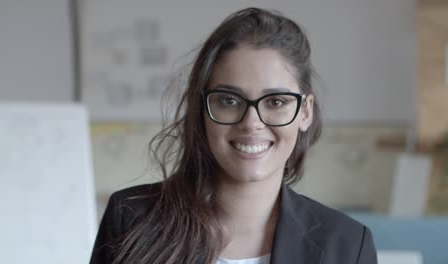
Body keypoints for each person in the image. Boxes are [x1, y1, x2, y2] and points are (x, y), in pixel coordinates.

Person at [90, 7, 377, 264]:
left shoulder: (347, 245)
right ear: (202, 108)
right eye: (229, 100)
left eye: (276, 102)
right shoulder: (130, 218)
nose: (251, 123)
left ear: (305, 112)